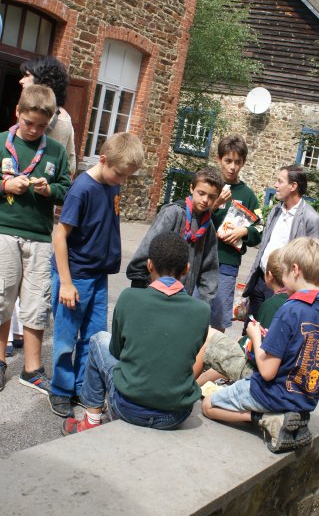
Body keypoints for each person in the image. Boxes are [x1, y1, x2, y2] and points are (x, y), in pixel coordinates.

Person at [202, 237, 319, 454]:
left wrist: (256, 337)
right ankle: (281, 416)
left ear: (295, 270)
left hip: (270, 394)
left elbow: (267, 372)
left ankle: (265, 419)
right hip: (305, 399)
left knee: (208, 405)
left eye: (284, 272)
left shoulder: (290, 309)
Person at [62, 231, 210, 434]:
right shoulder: (202, 310)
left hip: (127, 409)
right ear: (186, 269)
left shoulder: (128, 298)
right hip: (175, 416)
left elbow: (116, 351)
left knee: (98, 340)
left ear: (149, 265)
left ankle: (91, 421)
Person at [49, 132, 144, 417]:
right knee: (66, 338)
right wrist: (66, 283)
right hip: (75, 276)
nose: (122, 180)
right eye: (120, 174)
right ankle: (61, 389)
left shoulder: (112, 184)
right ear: (103, 160)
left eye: (127, 176)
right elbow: (59, 235)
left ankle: (82, 387)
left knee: (94, 337)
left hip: (98, 275)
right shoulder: (82, 189)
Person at [0, 85, 71, 392]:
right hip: (4, 231)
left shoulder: (55, 150)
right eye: (29, 123)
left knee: (37, 302)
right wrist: (5, 186)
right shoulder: (1, 142)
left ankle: (32, 369)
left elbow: (66, 189)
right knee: (1, 299)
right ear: (18, 112)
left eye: (41, 126)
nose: (33, 130)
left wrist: (49, 190)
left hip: (40, 237)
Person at [126, 167, 222, 305]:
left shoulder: (208, 226)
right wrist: (139, 287)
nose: (205, 200)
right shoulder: (173, 214)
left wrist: (205, 302)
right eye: (201, 193)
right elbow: (147, 249)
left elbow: (210, 268)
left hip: (182, 297)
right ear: (191, 189)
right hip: (155, 293)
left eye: (212, 197)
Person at [243, 164, 319, 323]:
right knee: (251, 328)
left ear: (293, 186)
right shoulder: (276, 210)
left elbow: (318, 264)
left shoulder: (311, 220)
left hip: (283, 288)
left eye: (280, 181)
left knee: (271, 330)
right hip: (261, 280)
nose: (275, 185)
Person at [195, 248, 288, 386]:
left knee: (208, 336)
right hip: (276, 370)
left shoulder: (271, 305)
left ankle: (184, 389)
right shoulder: (293, 302)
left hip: (257, 370)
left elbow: (260, 347)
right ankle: (194, 386)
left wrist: (248, 339)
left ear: (268, 275)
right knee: (216, 365)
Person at [210, 134, 261, 331]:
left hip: (228, 264)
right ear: (219, 159)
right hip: (202, 258)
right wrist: (214, 205)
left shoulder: (248, 195)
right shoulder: (208, 185)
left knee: (218, 317)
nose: (232, 167)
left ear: (243, 163)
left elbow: (259, 229)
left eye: (237, 162)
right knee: (195, 311)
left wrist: (244, 231)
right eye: (228, 161)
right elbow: (193, 218)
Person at [19, 55, 76, 176]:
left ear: (42, 79)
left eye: (27, 75)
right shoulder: (63, 115)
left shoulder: (57, 118)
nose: (21, 80)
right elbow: (71, 163)